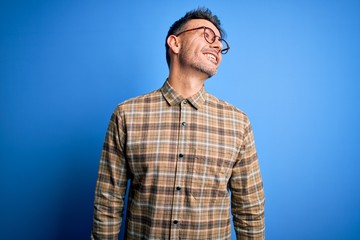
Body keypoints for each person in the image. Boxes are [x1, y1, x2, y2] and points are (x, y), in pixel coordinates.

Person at [91, 7, 265, 239]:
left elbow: (249, 210)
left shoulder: (238, 123)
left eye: (220, 43)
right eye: (207, 35)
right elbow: (107, 203)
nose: (216, 46)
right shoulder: (127, 115)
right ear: (175, 43)